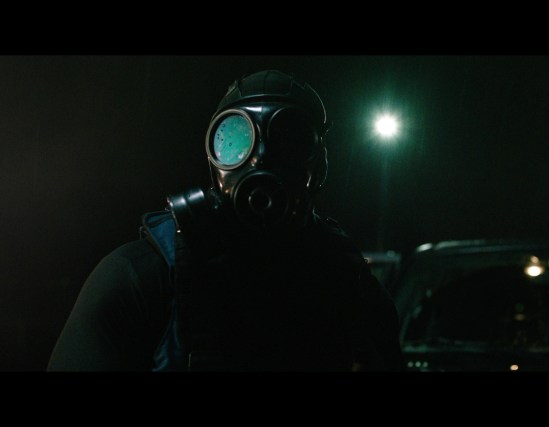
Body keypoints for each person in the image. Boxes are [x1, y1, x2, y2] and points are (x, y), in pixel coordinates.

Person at [48, 70, 403, 371]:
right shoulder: (145, 278)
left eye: (291, 140)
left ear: (319, 166)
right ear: (214, 160)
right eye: (235, 140)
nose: (261, 158)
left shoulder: (350, 286)